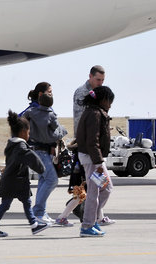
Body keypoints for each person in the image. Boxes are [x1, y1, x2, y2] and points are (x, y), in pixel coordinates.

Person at [0, 111, 49, 237]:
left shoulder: (13, 144)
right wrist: (42, 169)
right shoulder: (20, 147)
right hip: (13, 181)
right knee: (6, 205)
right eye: (28, 132)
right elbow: (30, 157)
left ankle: (34, 225)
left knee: (26, 202)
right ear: (23, 132)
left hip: (16, 180)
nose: (29, 135)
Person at [20, 82, 67, 224]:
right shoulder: (38, 110)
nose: (52, 94)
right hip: (39, 150)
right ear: (41, 94)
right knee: (52, 180)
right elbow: (54, 131)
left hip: (42, 150)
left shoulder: (34, 110)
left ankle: (41, 213)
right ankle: (38, 212)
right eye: (50, 92)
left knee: (43, 180)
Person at [75, 86, 115, 237]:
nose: (110, 104)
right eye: (109, 101)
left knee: (106, 188)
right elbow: (92, 141)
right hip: (93, 160)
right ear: (103, 100)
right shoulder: (94, 114)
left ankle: (93, 220)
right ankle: (87, 226)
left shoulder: (96, 112)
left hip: (95, 158)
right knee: (94, 192)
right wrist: (98, 163)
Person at [73, 65, 105, 131]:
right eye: (98, 80)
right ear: (90, 76)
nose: (101, 83)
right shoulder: (82, 93)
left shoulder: (99, 92)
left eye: (102, 80)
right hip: (85, 135)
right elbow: (79, 118)